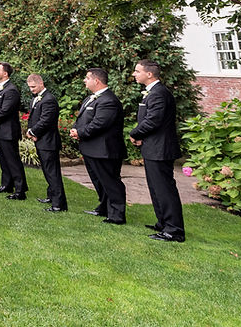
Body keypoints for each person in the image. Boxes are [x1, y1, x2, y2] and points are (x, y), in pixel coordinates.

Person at [130, 60, 185, 241]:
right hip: (152, 146)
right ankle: (163, 222)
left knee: (164, 189)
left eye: (137, 71)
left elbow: (154, 120)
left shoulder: (159, 94)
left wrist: (135, 133)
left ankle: (174, 230)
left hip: (161, 149)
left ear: (149, 74)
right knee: (155, 188)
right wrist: (141, 137)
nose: (134, 74)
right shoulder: (152, 92)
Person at [71, 67, 127, 225]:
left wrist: (80, 133)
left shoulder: (109, 100)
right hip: (91, 148)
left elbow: (99, 124)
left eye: (87, 78)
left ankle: (117, 215)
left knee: (110, 181)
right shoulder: (91, 98)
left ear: (96, 81)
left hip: (105, 150)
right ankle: (104, 207)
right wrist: (76, 129)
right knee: (98, 181)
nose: (84, 80)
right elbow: (84, 119)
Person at [26, 74, 67, 212]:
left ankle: (58, 204)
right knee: (47, 171)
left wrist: (33, 132)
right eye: (30, 87)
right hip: (42, 140)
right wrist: (31, 130)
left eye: (34, 86)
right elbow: (33, 118)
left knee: (52, 173)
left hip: (48, 141)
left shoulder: (49, 100)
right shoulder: (37, 98)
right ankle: (51, 196)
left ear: (41, 83)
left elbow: (46, 121)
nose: (31, 89)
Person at [0, 62, 27, 200]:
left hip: (8, 131)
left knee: (13, 160)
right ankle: (6, 185)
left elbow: (6, 110)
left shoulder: (11, 90)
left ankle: (20, 190)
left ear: (5, 73)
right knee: (3, 159)